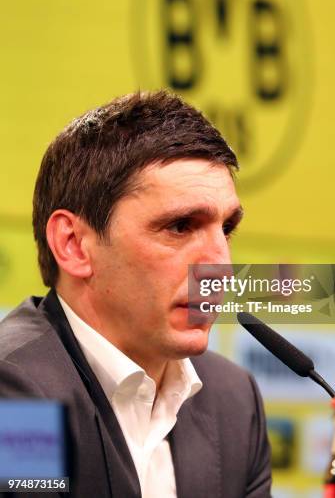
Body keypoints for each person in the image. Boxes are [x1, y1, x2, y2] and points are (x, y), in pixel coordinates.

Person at [0, 91, 272, 498]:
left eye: (226, 230)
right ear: (73, 245)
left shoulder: (234, 401)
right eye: (180, 226)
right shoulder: (17, 393)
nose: (221, 268)